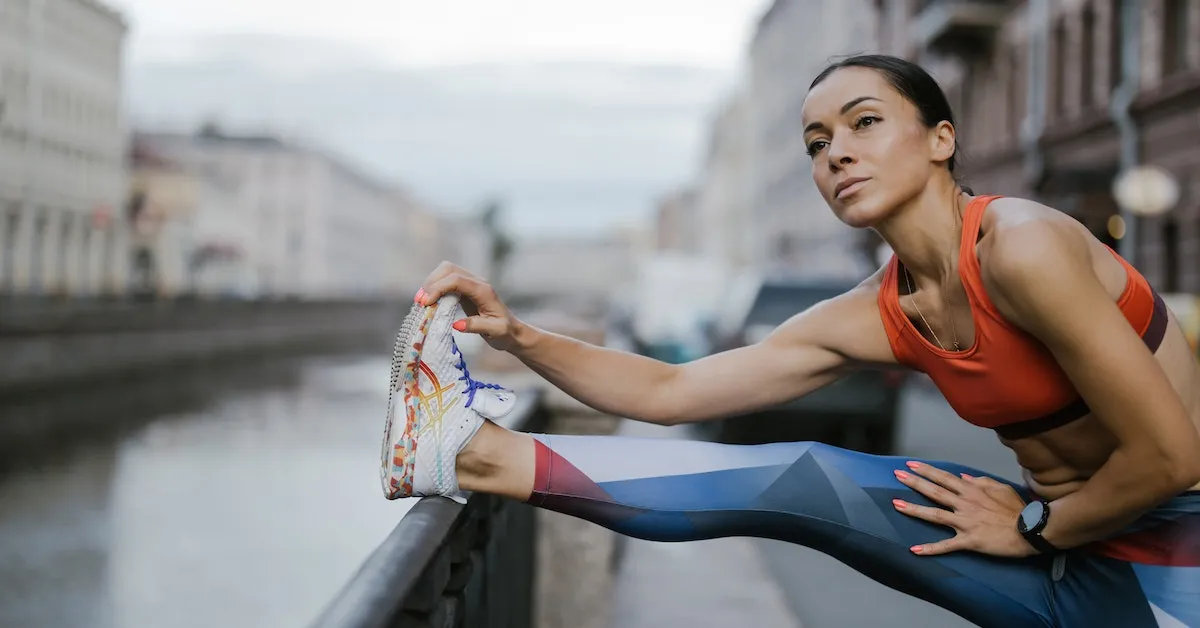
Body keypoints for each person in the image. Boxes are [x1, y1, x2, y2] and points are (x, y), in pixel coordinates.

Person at [381, 54, 1200, 628]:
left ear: (942, 140)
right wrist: (522, 336)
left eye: (865, 122)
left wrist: (1030, 530)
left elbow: (1172, 457)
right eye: (816, 144)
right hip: (1060, 550)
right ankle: (467, 452)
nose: (837, 150)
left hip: (1172, 575)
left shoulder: (1021, 244)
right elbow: (670, 392)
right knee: (804, 479)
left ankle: (473, 453)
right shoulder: (880, 309)